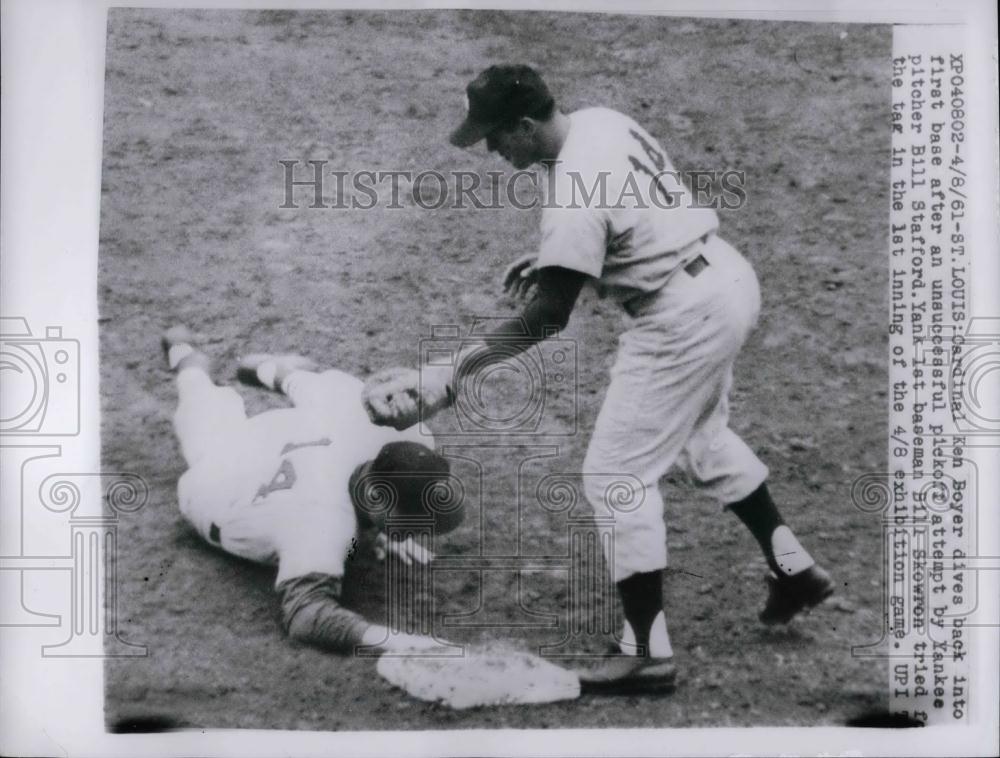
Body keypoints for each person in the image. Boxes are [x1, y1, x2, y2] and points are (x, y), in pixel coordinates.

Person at [363, 64, 833, 692]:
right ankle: (794, 568)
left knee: (615, 477)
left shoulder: (572, 192)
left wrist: (447, 375)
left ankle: (646, 651)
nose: (493, 151)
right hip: (724, 277)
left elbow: (546, 319)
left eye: (496, 137)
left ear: (526, 125)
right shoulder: (599, 121)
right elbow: (632, 208)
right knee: (702, 437)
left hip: (682, 316)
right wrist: (560, 260)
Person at [162, 325, 460, 655]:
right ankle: (189, 358)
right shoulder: (320, 524)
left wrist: (385, 527)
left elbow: (314, 383)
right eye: (410, 521)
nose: (415, 530)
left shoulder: (394, 428)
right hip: (219, 482)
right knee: (197, 405)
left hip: (286, 432)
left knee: (231, 393)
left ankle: (265, 369)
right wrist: (399, 642)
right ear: (375, 496)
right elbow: (308, 616)